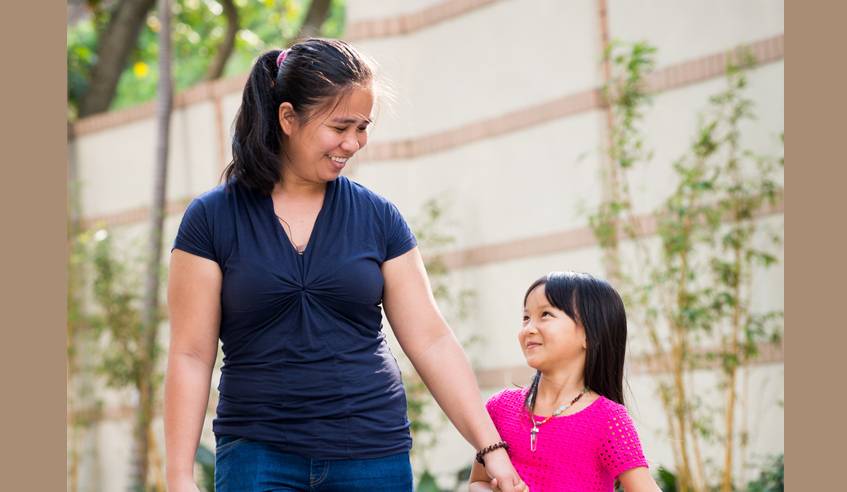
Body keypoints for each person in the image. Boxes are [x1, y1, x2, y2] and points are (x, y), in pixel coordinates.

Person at [164, 38, 526, 492]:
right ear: (288, 118)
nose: (353, 143)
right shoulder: (212, 219)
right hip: (258, 457)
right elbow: (191, 354)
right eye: (340, 127)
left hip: (372, 455)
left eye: (363, 127)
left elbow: (431, 340)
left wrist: (491, 450)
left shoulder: (379, 218)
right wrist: (178, 475)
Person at [469, 272, 661, 491]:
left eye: (546, 315)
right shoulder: (500, 407)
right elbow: (478, 481)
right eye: (526, 317)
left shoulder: (609, 420)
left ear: (589, 335)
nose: (528, 328)